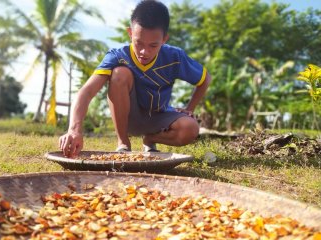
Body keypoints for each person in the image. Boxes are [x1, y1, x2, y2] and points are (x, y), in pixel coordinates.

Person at [59, 0, 211, 157]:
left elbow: (205, 79)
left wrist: (190, 109)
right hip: (129, 118)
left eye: (153, 45)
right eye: (138, 43)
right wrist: (74, 129)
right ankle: (123, 143)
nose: (144, 52)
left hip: (160, 118)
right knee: (119, 73)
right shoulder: (117, 56)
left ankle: (150, 139)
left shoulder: (175, 57)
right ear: (130, 33)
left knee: (191, 128)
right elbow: (87, 91)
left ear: (164, 39)